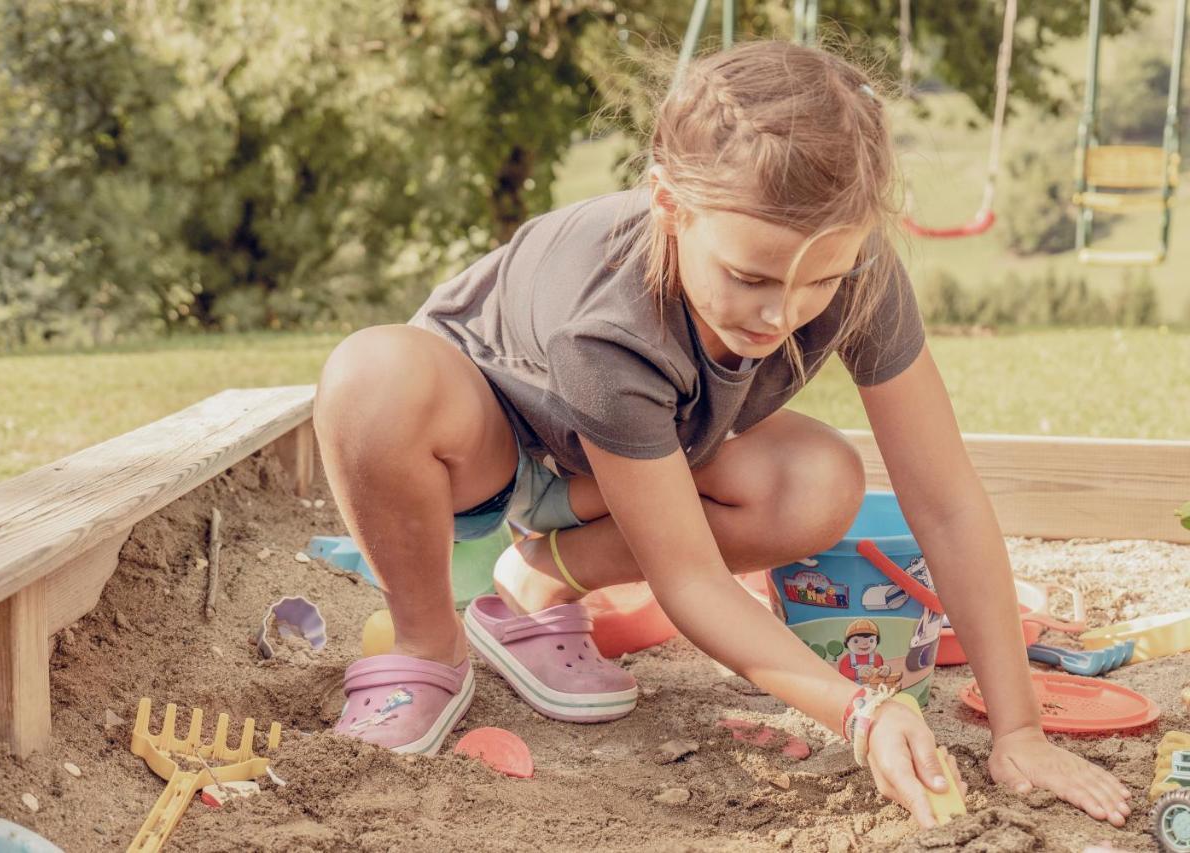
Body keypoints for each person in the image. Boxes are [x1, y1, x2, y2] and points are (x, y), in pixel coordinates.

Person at [314, 39, 1133, 829]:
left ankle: (537, 585)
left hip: (629, 464)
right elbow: (691, 581)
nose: (780, 315)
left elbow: (946, 501)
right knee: (371, 375)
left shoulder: (861, 274)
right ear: (671, 206)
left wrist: (1018, 729)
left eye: (821, 280)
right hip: (478, 450)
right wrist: (859, 710)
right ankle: (429, 643)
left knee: (820, 481)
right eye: (750, 277)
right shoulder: (608, 319)